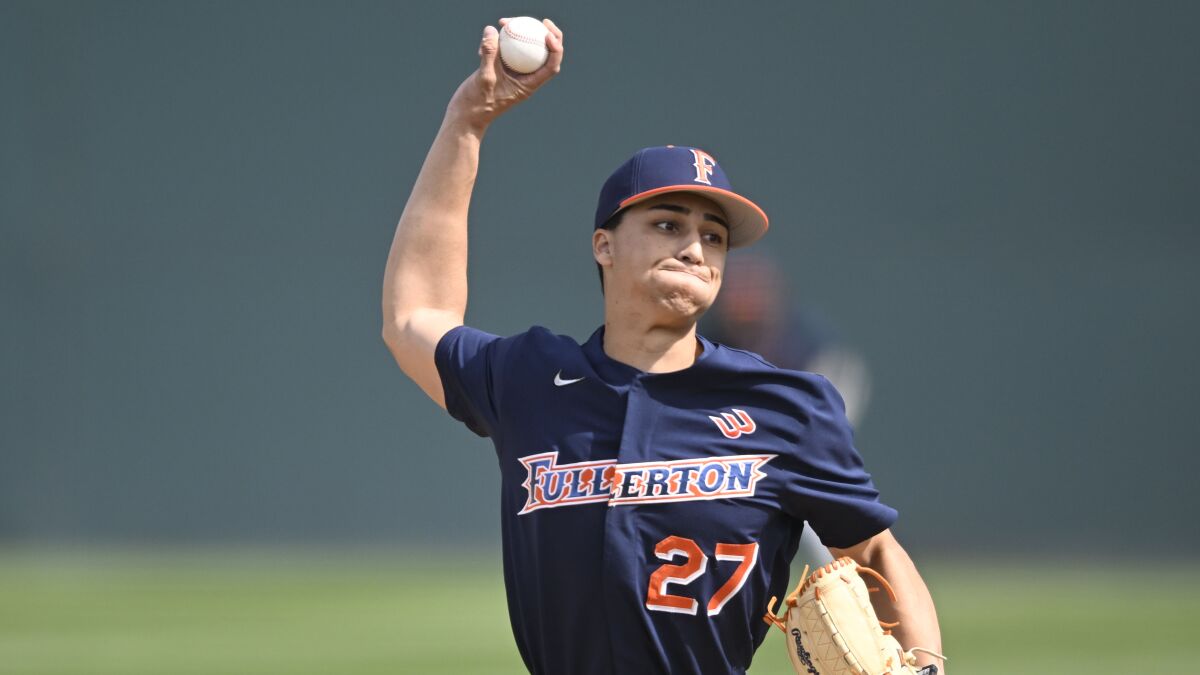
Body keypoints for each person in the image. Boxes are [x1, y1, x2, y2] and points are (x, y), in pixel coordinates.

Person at [381, 18, 943, 675]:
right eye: (668, 222)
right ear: (604, 244)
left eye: (714, 235)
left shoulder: (786, 405)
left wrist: (927, 666)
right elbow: (414, 313)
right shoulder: (530, 380)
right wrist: (466, 123)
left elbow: (873, 553)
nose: (694, 247)